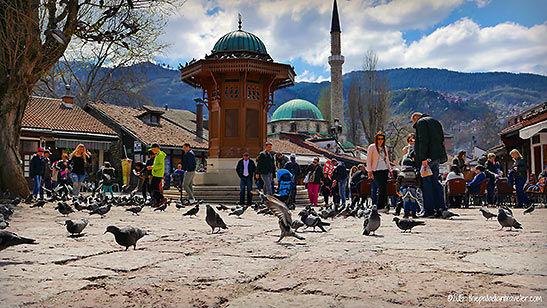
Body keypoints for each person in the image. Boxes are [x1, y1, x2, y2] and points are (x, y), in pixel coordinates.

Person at [412, 112, 448, 218]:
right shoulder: (436, 122)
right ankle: (440, 208)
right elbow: (441, 139)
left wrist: (423, 158)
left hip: (427, 159)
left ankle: (429, 210)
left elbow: (423, 141)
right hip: (436, 157)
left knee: (426, 184)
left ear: (415, 118)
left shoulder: (421, 123)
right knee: (435, 183)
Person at [367, 132, 393, 212]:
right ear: (376, 139)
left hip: (384, 170)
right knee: (381, 188)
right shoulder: (372, 147)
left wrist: (390, 170)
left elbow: (387, 160)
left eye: (382, 139)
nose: (380, 140)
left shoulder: (384, 147)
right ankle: (379, 206)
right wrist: (369, 171)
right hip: (376, 170)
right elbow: (368, 159)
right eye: (379, 139)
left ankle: (384, 205)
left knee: (384, 189)